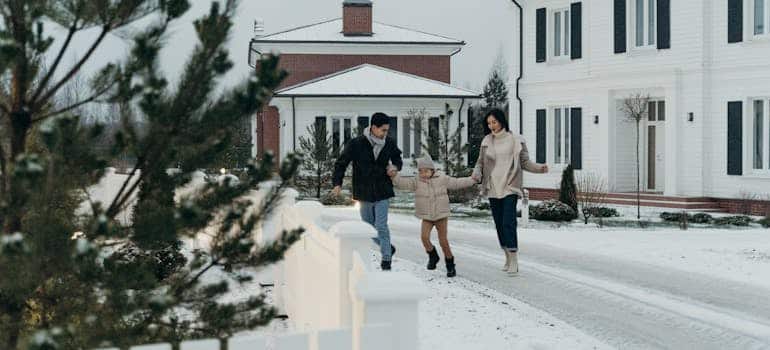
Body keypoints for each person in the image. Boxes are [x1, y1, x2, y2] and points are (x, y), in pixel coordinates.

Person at [472, 108, 548, 276]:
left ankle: (514, 258)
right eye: (489, 123)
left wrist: (540, 168)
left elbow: (525, 162)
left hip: (510, 186)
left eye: (494, 122)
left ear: (501, 121)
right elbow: (480, 163)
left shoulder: (516, 140)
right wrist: (476, 173)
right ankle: (506, 255)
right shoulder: (486, 141)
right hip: (492, 187)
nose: (492, 126)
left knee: (508, 222)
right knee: (499, 224)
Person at [333, 112, 403, 270]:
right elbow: (341, 163)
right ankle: (388, 247)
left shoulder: (389, 143)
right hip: (363, 191)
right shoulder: (356, 143)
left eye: (387, 130)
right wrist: (337, 183)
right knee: (368, 228)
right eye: (383, 130)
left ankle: (386, 259)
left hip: (382, 190)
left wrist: (395, 167)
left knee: (381, 225)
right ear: (373, 127)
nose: (386, 133)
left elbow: (397, 158)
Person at [389, 155, 477, 277]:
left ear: (432, 170)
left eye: (426, 171)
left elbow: (456, 183)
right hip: (427, 217)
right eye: (420, 171)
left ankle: (450, 265)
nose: (423, 174)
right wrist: (395, 176)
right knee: (424, 238)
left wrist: (471, 180)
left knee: (443, 241)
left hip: (441, 215)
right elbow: (404, 184)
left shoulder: (442, 178)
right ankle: (433, 256)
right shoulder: (417, 181)